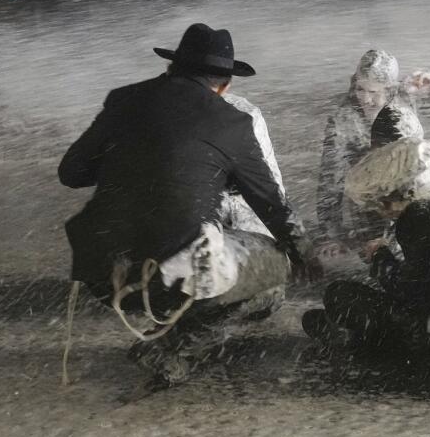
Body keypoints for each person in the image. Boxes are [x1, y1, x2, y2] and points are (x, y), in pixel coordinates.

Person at [58, 22, 320, 385]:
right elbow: (271, 202)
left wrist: (135, 160)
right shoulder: (231, 121)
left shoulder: (124, 100)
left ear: (171, 68)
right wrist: (304, 254)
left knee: (186, 253)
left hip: (104, 272)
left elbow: (71, 172)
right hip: (168, 276)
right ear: (225, 86)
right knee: (274, 272)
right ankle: (172, 348)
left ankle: (169, 329)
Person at [303, 125, 430, 370]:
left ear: (390, 197)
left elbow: (411, 290)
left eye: (378, 205)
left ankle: (371, 346)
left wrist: (380, 255)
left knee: (340, 294)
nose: (379, 213)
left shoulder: (417, 218)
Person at [315, 48, 430, 254]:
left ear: (390, 90)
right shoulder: (344, 118)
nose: (365, 99)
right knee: (386, 249)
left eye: (373, 92)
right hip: (377, 192)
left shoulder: (406, 95)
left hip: (421, 173)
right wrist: (330, 236)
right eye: (360, 89)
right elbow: (330, 177)